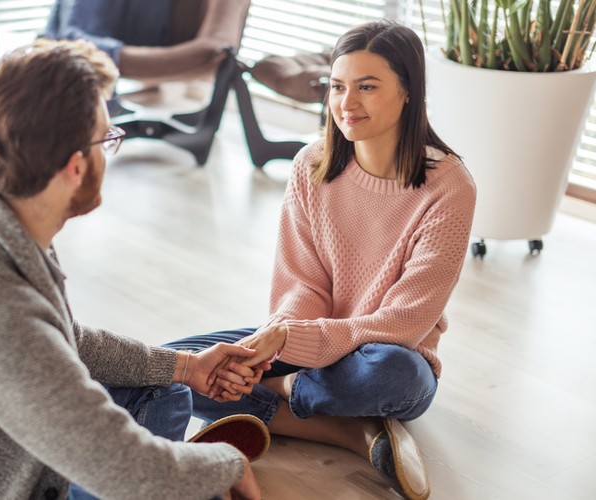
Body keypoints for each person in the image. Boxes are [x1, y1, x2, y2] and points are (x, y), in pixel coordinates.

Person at [0, 39, 267, 500]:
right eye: (107, 139)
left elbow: (63, 341)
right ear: (75, 166)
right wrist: (227, 464)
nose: (110, 150)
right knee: (162, 473)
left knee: (164, 391)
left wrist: (185, 365)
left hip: (8, 458)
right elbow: (133, 471)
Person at [164, 20, 477, 500]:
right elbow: (300, 284)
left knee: (390, 373)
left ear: (409, 91)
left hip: (388, 354)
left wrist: (283, 358)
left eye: (367, 87)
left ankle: (287, 397)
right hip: (308, 342)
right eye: (337, 87)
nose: (347, 104)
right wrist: (281, 336)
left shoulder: (448, 186)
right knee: (175, 364)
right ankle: (354, 433)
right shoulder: (312, 164)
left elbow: (406, 321)